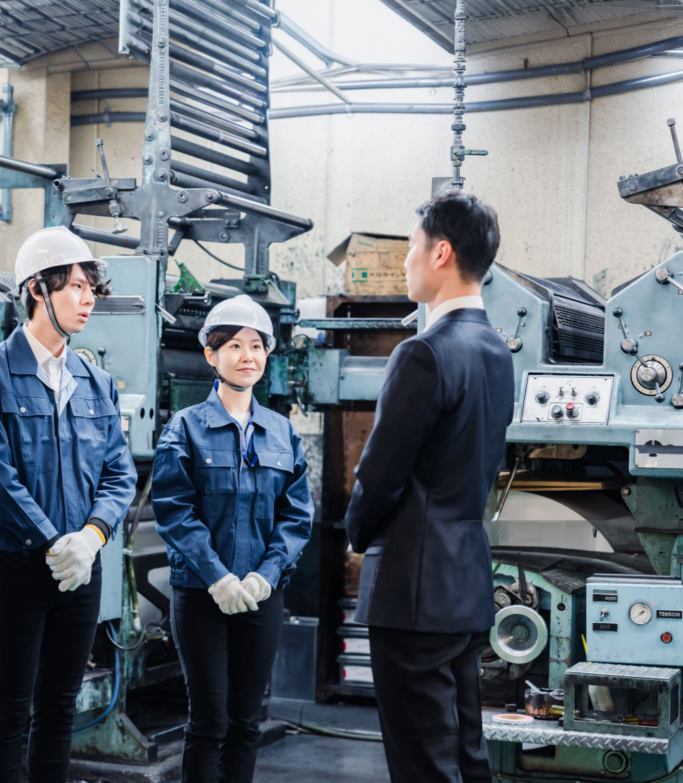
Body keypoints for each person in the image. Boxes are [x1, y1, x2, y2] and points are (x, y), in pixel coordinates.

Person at [344, 191, 514, 783]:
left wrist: (358, 534)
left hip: (413, 591)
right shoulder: (496, 351)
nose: (407, 260)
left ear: (441, 252)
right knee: (465, 755)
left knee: (424, 764)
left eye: (413, 246)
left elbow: (380, 473)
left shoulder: (423, 352)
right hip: (465, 583)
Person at [0, 226, 137, 783]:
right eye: (76, 287)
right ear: (38, 288)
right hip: (18, 564)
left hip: (82, 568)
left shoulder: (96, 382)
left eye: (91, 288)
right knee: (10, 708)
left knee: (61, 709)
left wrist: (91, 537)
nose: (88, 299)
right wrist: (54, 542)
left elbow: (119, 472)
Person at [151, 295, 314, 783]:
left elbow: (296, 516)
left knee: (245, 723)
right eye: (235, 346)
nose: (248, 356)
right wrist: (217, 576)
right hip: (203, 594)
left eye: (257, 346)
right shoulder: (185, 428)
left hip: (261, 597)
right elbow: (174, 511)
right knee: (208, 722)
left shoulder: (283, 433)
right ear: (211, 354)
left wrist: (267, 575)